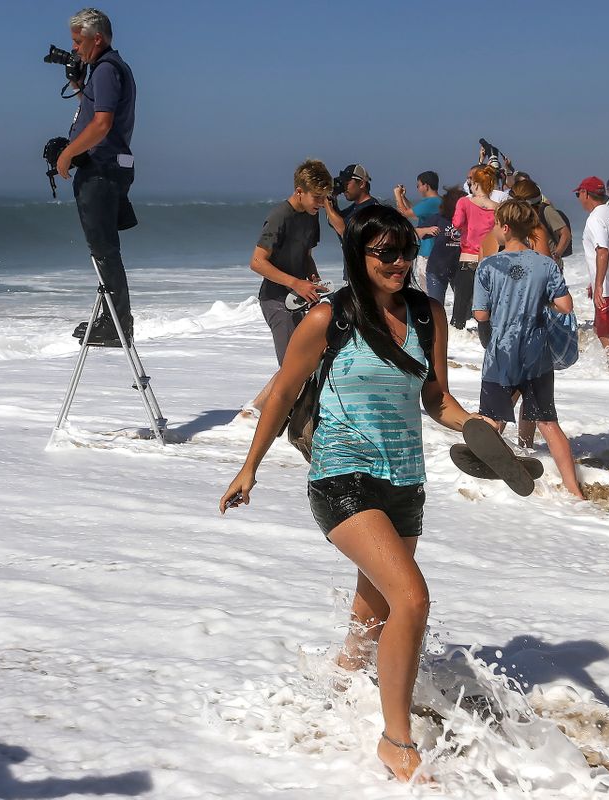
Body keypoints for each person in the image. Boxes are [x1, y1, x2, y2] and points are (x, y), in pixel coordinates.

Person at [220, 205, 475, 782]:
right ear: (359, 256)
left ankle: (342, 680)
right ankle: (395, 740)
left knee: (378, 602)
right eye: (386, 252)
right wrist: (248, 468)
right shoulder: (330, 318)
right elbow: (283, 392)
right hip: (341, 477)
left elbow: (436, 399)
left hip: (406, 480)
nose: (400, 262)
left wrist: (476, 428)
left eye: (406, 250)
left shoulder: (428, 313)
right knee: (411, 597)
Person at [473, 200, 584, 497]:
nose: (493, 229)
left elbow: (480, 315)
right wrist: (538, 300)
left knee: (490, 419)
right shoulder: (545, 264)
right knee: (548, 422)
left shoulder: (488, 265)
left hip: (501, 352)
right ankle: (575, 490)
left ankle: (487, 479)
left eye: (496, 224)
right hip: (537, 352)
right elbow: (565, 305)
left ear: (505, 228)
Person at [58, 8, 138, 347]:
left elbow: (102, 124)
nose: (76, 48)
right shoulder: (112, 69)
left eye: (78, 42)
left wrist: (68, 154)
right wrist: (79, 87)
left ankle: (117, 323)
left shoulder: (106, 70)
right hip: (113, 168)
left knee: (103, 249)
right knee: (105, 248)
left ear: (97, 38)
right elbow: (97, 112)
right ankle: (112, 318)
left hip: (101, 170)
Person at [245, 160, 333, 413]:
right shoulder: (279, 216)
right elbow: (256, 262)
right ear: (299, 192)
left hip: (299, 298)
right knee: (294, 368)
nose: (321, 202)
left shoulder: (311, 215)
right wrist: (296, 282)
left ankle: (251, 411)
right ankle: (270, 417)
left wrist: (312, 278)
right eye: (317, 197)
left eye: (324, 197)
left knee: (303, 364)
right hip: (275, 300)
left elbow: (305, 255)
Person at [576, 177, 609, 350]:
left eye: (578, 194)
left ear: (585, 193)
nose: (578, 198)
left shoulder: (595, 219)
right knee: (605, 331)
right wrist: (594, 282)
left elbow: (603, 251)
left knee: (604, 333)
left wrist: (599, 285)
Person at [449, 165, 500, 329]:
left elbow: (456, 224)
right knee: (486, 307)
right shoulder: (498, 208)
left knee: (460, 307)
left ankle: (458, 344)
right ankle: (487, 344)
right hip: (490, 260)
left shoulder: (464, 202)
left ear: (476, 184)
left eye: (471, 181)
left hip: (468, 258)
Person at [394, 172, 442, 289]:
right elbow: (415, 214)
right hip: (436, 251)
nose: (418, 189)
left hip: (428, 252)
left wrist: (397, 195)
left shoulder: (431, 202)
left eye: (418, 185)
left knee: (427, 289)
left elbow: (404, 213)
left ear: (426, 186)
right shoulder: (438, 201)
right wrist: (403, 197)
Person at [421, 187, 464, 305]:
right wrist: (426, 230)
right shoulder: (439, 218)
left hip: (460, 269)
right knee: (436, 306)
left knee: (465, 308)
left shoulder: (468, 219)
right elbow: (414, 232)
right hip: (437, 268)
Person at [326, 164, 379, 239]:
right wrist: (332, 198)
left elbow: (344, 230)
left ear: (361, 184)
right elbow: (334, 222)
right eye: (343, 184)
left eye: (347, 184)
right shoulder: (356, 207)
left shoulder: (372, 208)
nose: (344, 188)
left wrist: (326, 203)